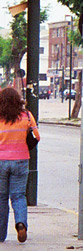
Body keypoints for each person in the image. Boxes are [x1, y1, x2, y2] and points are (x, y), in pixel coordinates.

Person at [0, 86, 40, 242]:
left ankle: (1, 234)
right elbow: (36, 136)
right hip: (21, 160)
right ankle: (21, 224)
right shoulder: (27, 116)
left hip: (1, 161)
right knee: (18, 196)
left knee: (1, 198)